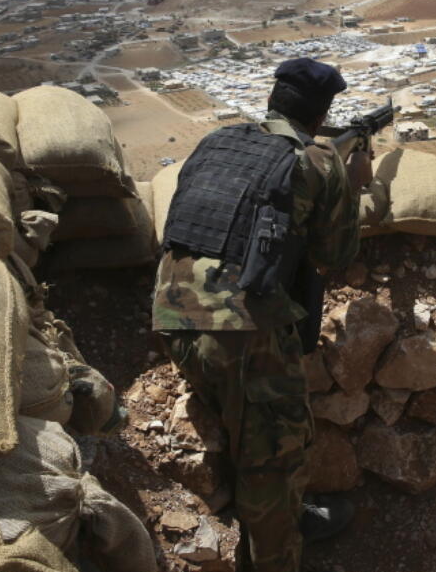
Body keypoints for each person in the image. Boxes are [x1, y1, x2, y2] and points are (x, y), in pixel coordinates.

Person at [152, 58, 370, 572]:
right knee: (276, 460)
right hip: (239, 328)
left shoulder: (218, 142)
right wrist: (351, 184)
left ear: (272, 100)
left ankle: (273, 522)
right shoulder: (316, 158)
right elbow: (336, 255)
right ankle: (274, 553)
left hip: (172, 312)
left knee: (240, 431)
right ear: (321, 117)